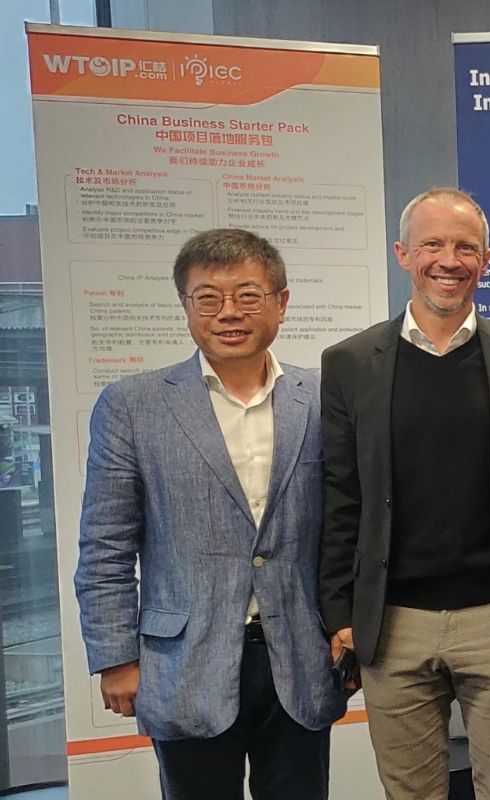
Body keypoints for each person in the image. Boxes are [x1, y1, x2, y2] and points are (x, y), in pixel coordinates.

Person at [75, 229, 344, 798]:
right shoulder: (133, 405)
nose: (229, 313)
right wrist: (115, 658)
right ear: (186, 305)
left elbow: (349, 528)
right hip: (184, 663)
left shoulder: (324, 399)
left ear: (281, 302)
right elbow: (105, 547)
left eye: (248, 295)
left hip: (300, 656)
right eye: (208, 298)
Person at [319, 188, 490, 799]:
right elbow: (342, 494)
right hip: (393, 623)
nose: (449, 260)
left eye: (465, 248)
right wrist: (340, 613)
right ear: (403, 254)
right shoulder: (349, 362)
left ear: (487, 260)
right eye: (432, 244)